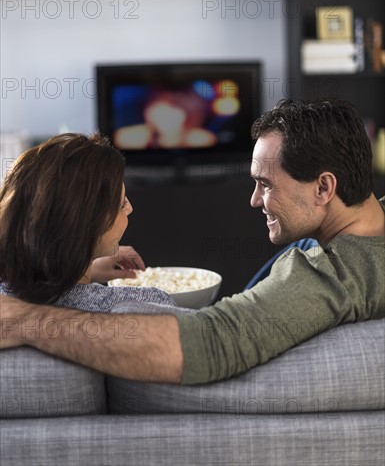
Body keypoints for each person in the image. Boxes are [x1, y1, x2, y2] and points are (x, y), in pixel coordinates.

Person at [1, 98, 384, 385]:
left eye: (266, 185)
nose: (253, 200)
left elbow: (208, 341)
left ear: (323, 187)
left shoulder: (324, 279)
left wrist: (26, 320)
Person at [0, 132, 174, 311]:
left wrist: (85, 265)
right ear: (84, 226)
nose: (130, 209)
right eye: (121, 204)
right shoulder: (148, 305)